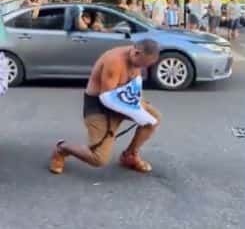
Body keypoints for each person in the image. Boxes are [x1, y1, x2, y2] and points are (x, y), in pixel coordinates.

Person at [48, 40, 162, 174]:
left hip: (124, 99)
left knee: (153, 119)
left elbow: (133, 85)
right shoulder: (114, 61)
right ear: (136, 53)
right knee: (99, 159)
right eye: (142, 64)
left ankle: (130, 155)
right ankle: (62, 148)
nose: (142, 68)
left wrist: (140, 106)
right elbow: (107, 98)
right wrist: (136, 113)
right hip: (100, 106)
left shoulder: (136, 58)